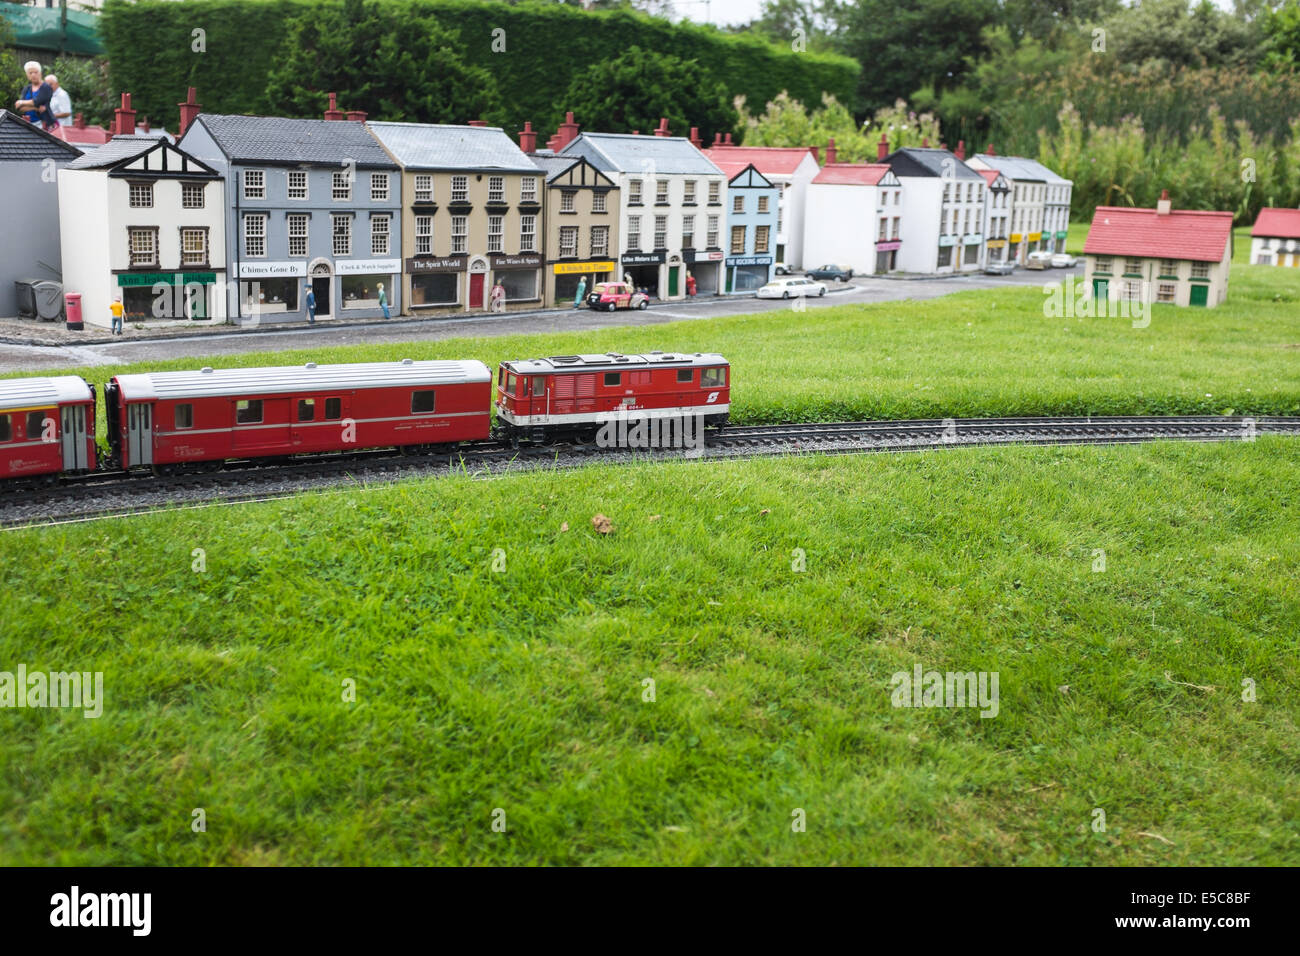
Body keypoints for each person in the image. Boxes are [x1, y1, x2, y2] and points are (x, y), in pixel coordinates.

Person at [13, 62, 55, 131]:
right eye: (30, 73)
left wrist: (21, 102)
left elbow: (37, 101)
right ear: (27, 75)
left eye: (36, 72)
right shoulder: (26, 88)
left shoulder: (46, 87)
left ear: (40, 73)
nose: (33, 75)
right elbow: (19, 107)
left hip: (45, 124)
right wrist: (35, 108)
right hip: (28, 123)